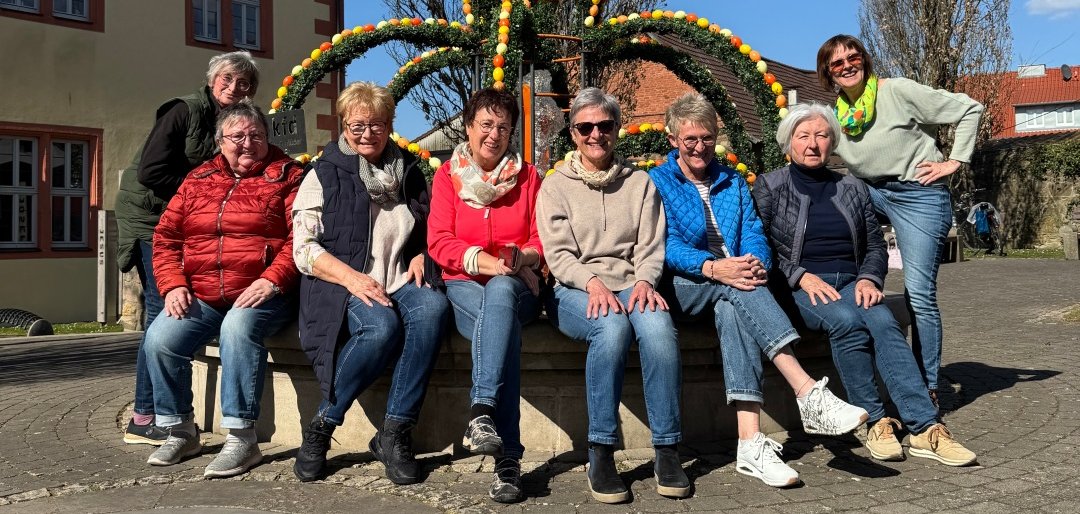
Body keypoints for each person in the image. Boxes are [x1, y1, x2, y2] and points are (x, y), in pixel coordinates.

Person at [648, 93, 868, 488]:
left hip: (734, 285)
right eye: (690, 140)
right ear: (673, 140)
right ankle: (808, 393)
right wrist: (715, 267)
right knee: (736, 289)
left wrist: (753, 263)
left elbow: (753, 229)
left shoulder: (730, 179)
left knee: (735, 304)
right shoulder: (658, 180)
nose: (700, 148)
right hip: (684, 285)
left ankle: (749, 444)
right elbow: (666, 244)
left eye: (707, 138)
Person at [753, 103, 977, 467]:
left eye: (822, 136)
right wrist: (798, 275)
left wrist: (871, 277)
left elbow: (874, 243)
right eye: (804, 136)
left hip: (853, 281)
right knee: (847, 321)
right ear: (788, 142)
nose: (813, 144)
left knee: (885, 322)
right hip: (801, 286)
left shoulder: (851, 185)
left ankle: (924, 428)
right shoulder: (771, 186)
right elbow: (759, 244)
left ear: (833, 143)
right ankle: (876, 422)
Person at [291, 82, 450, 485]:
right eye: (358, 125)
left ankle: (394, 432)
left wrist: (422, 252)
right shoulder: (323, 173)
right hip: (344, 283)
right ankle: (323, 426)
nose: (367, 133)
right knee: (381, 328)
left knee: (432, 310)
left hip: (400, 277)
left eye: (377, 124)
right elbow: (303, 249)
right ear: (344, 124)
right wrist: (352, 278)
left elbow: (432, 227)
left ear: (390, 124)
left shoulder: (409, 171)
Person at [537, 88, 689, 503]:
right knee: (611, 329)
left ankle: (667, 450)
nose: (595, 134)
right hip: (575, 289)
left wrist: (644, 282)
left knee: (659, 331)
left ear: (617, 130)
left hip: (633, 283)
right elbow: (559, 252)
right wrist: (592, 283)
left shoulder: (639, 183)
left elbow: (651, 245)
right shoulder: (555, 187)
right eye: (585, 127)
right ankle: (601, 450)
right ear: (573, 133)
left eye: (604, 126)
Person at [817, 35, 985, 405]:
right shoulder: (837, 115)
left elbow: (970, 109)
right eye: (837, 63)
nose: (847, 66)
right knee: (827, 213)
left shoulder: (897, 91)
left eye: (853, 58)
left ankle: (927, 387)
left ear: (864, 60)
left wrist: (954, 161)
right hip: (871, 192)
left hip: (917, 194)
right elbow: (813, 150)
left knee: (920, 296)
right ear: (828, 73)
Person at [142, 100, 302, 477]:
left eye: (257, 135)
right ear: (219, 141)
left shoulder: (289, 175)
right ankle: (181, 430)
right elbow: (165, 238)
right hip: (203, 292)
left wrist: (272, 279)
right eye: (238, 136)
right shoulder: (198, 179)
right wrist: (172, 285)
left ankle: (242, 439)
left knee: (237, 327)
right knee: (160, 338)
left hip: (265, 293)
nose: (248, 143)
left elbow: (302, 239)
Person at [115, 51, 260, 445]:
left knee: (170, 309)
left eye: (244, 83)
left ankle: (156, 411)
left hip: (179, 216)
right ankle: (147, 417)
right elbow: (152, 171)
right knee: (160, 310)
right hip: (150, 216)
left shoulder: (232, 122)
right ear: (212, 80)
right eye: (227, 79)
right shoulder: (185, 110)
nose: (234, 88)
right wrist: (203, 185)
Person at [427, 87, 543, 504]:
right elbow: (439, 242)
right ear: (469, 126)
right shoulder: (446, 176)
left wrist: (525, 258)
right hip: (463, 284)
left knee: (500, 301)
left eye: (503, 127)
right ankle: (509, 463)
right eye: (486, 125)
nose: (494, 135)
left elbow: (541, 237)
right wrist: (490, 263)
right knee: (500, 329)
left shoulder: (530, 178)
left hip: (517, 288)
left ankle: (481, 411)